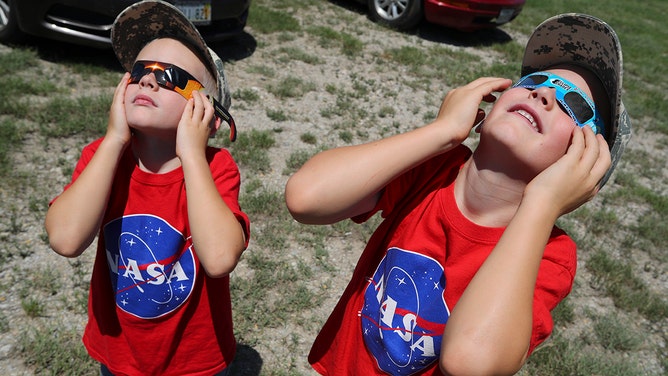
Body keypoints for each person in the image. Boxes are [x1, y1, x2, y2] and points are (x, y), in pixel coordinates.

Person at [284, 13, 631, 376]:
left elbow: (469, 362)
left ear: (585, 163)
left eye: (574, 105)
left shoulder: (550, 255)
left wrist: (542, 204)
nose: (543, 92)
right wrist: (442, 132)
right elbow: (306, 198)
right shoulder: (435, 170)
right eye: (536, 79)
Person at [44, 1, 249, 375]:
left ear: (208, 113)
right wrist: (112, 140)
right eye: (139, 72)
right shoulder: (104, 157)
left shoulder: (215, 168)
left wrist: (192, 155)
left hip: (194, 361)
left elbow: (220, 258)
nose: (148, 80)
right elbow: (65, 239)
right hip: (119, 351)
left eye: (171, 76)